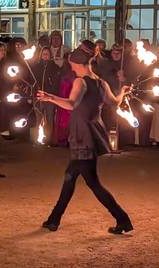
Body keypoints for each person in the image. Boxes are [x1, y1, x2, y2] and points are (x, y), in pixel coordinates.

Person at [37, 40, 133, 234]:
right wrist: (122, 92)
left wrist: (49, 97)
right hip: (92, 133)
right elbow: (114, 103)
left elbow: (72, 104)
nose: (70, 65)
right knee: (71, 179)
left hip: (83, 136)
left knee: (91, 183)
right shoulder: (100, 82)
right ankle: (54, 220)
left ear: (78, 63)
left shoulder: (80, 82)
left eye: (71, 62)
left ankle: (123, 219)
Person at [33, 45, 61, 138]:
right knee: (38, 118)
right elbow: (32, 81)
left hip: (49, 97)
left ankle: (48, 138)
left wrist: (52, 95)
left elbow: (56, 83)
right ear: (41, 55)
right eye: (43, 54)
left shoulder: (55, 68)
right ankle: (37, 138)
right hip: (38, 96)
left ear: (50, 55)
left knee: (49, 118)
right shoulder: (36, 67)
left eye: (47, 54)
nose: (45, 56)